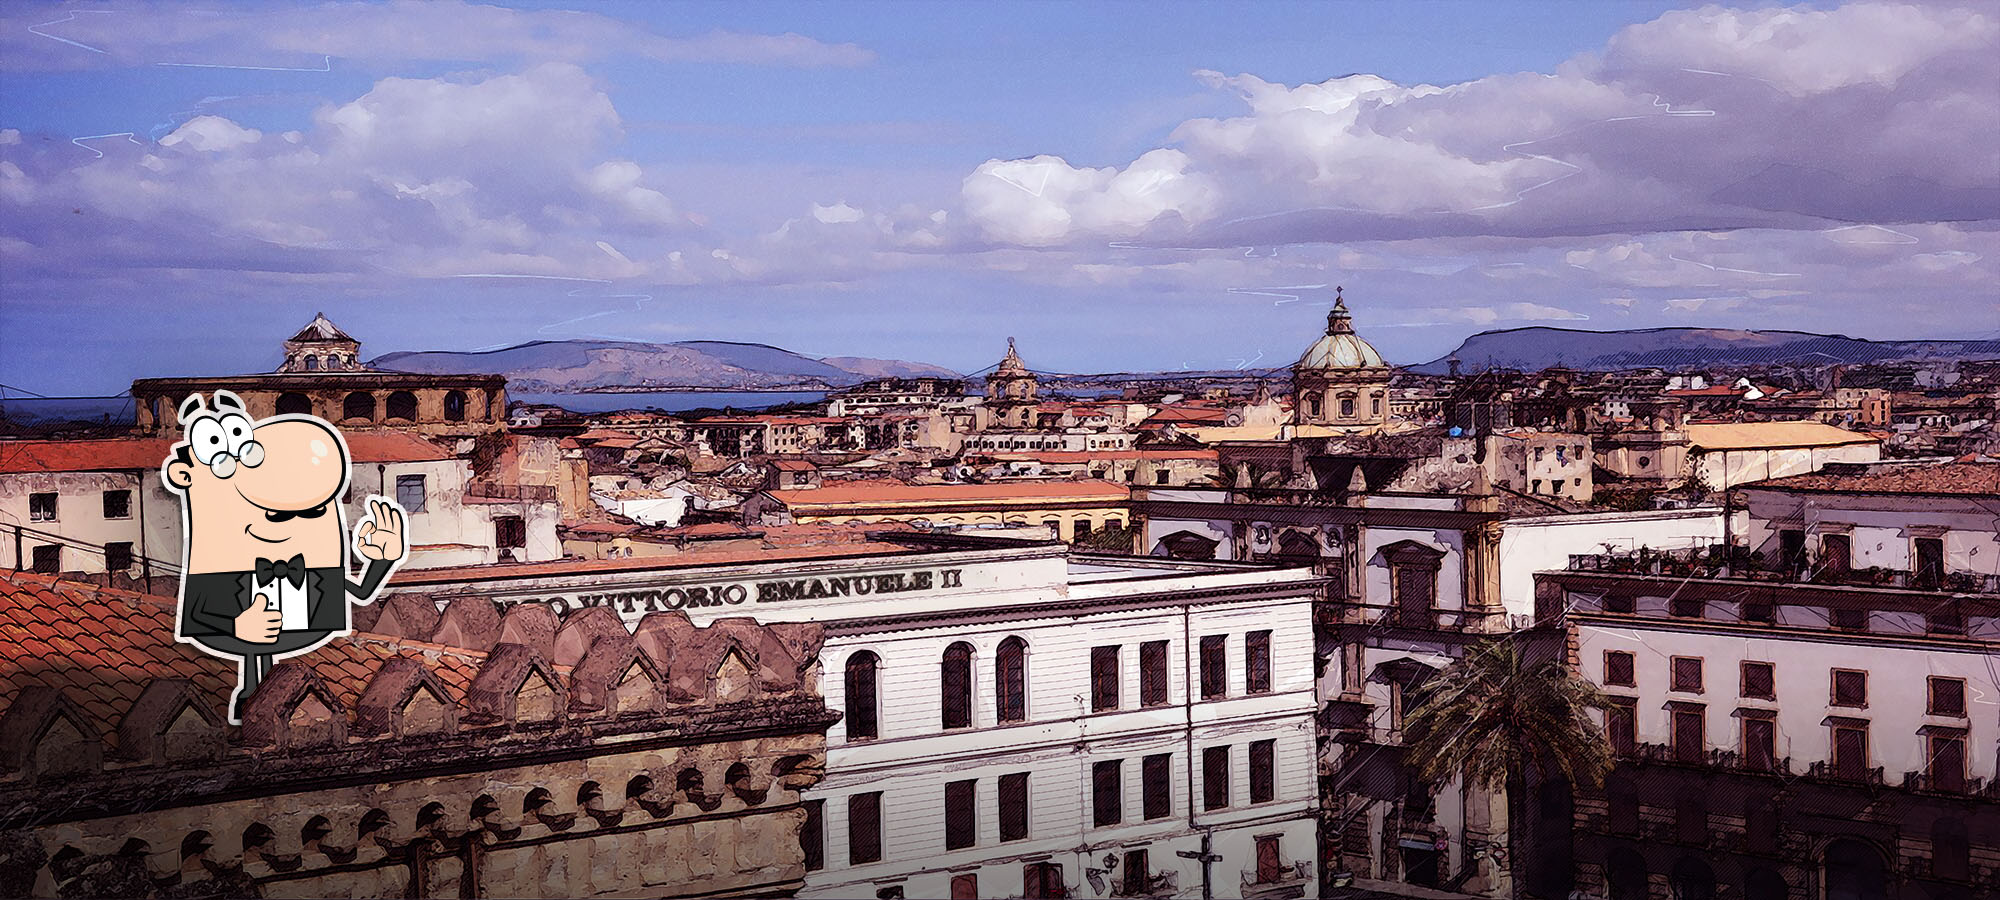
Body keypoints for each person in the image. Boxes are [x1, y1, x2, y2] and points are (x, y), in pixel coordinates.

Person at [162, 390, 407, 722]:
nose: (285, 522)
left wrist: (382, 560)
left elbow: (361, 593)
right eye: (275, 513)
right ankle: (253, 698)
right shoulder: (217, 575)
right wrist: (236, 625)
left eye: (312, 512)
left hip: (302, 639)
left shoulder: (315, 574)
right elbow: (200, 615)